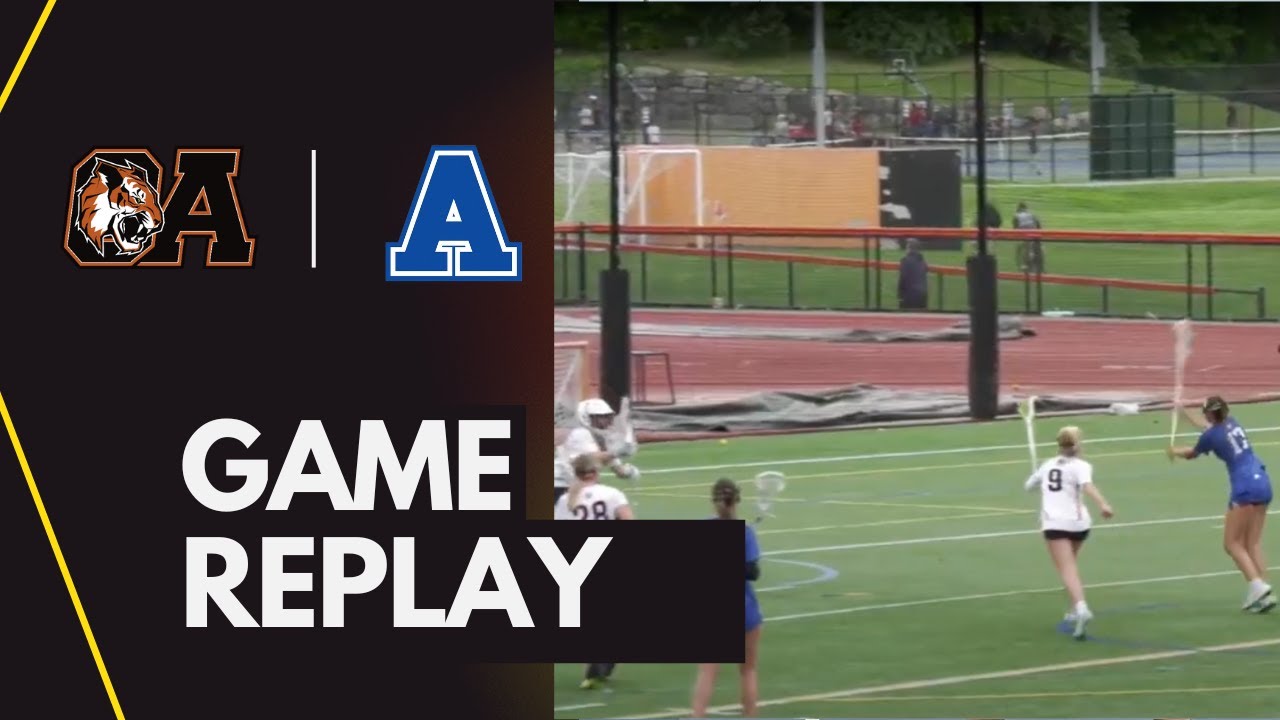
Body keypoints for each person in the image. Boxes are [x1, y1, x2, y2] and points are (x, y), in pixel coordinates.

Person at [1167, 396, 1275, 613]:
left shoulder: (1211, 435)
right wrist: (1182, 410)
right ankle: (1264, 594)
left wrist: (1173, 451)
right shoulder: (1232, 422)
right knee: (1252, 543)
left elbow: (1192, 453)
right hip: (1262, 480)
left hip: (1243, 486)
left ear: (1209, 413)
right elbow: (1206, 426)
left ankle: (1256, 585)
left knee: (1232, 544)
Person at [1024, 426, 1114, 639]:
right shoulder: (1082, 465)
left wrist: (1038, 478)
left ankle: (1081, 608)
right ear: (1078, 444)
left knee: (1066, 568)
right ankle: (1074, 609)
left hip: (1055, 523)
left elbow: (1028, 486)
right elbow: (1087, 485)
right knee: (1070, 564)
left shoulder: (1047, 465)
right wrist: (1103, 505)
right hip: (1079, 524)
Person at [556, 454, 634, 689]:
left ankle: (596, 661)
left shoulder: (565, 500)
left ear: (577, 474)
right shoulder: (612, 494)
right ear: (595, 472)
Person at [691, 479, 762, 718]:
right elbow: (753, 572)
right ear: (737, 501)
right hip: (746, 610)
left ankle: (697, 716)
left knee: (707, 672)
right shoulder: (745, 532)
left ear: (714, 501)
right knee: (748, 670)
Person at [554, 398, 639, 505]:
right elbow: (587, 460)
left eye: (606, 417)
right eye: (599, 417)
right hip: (561, 484)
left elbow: (613, 465)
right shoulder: (578, 433)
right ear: (585, 416)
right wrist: (617, 453)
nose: (604, 421)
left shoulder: (599, 437)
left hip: (575, 483)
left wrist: (627, 471)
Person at [1013, 202, 1045, 274]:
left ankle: (1024, 265)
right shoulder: (1032, 214)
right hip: (1035, 233)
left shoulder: (1016, 215)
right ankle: (1040, 267)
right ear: (1026, 208)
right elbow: (1039, 225)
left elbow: (1015, 229)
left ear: (1018, 208)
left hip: (1024, 234)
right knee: (1038, 248)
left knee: (1023, 248)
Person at [897, 238, 929, 310]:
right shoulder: (922, 260)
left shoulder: (905, 260)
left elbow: (902, 279)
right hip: (922, 295)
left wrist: (900, 295)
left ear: (909, 248)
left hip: (909, 296)